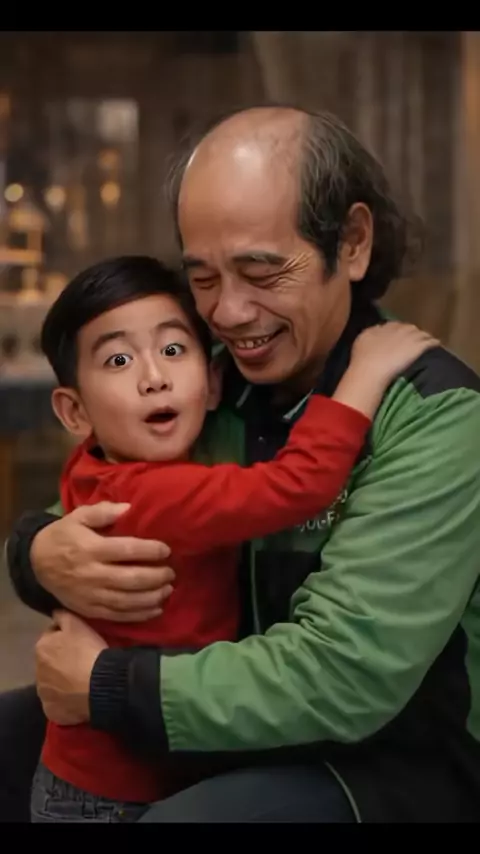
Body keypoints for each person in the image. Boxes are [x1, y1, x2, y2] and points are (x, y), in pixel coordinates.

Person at [4, 104, 480, 823]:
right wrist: (37, 552)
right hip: (237, 718)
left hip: (395, 754)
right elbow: (109, 499)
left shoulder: (438, 414)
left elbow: (343, 673)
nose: (227, 313)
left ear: (352, 243)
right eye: (203, 278)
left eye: (261, 271)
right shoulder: (209, 384)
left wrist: (107, 683)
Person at [29, 254, 433, 822]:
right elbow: (297, 485)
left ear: (214, 381)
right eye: (119, 360)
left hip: (104, 768)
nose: (154, 376)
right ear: (74, 411)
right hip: (110, 794)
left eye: (174, 350)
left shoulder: (98, 466)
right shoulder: (151, 495)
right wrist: (364, 376)